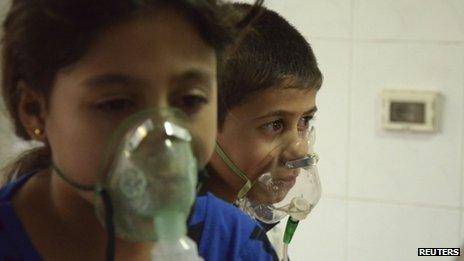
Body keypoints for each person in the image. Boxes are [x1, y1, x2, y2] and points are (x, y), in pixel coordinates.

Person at [0, 0, 277, 260]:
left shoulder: (237, 246)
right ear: (34, 110)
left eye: (190, 100)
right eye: (117, 104)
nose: (162, 138)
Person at [202, 3, 323, 257]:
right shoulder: (196, 239)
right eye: (274, 125)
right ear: (203, 123)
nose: (300, 149)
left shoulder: (254, 230)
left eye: (304, 121)